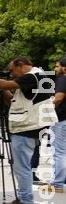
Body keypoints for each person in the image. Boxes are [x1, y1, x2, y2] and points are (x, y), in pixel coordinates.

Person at [0, 56, 56, 204]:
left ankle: (26, 202)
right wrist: (2, 89)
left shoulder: (33, 75)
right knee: (21, 166)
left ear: (21, 65)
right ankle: (22, 198)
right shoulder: (38, 77)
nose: (11, 74)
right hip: (32, 126)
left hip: (27, 128)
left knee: (22, 167)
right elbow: (14, 101)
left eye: (12, 70)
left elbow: (5, 83)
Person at [40, 55, 66, 193]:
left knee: (59, 152)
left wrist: (46, 106)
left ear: (64, 67)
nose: (55, 69)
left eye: (57, 66)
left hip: (61, 120)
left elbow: (59, 98)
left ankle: (57, 184)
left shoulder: (63, 79)